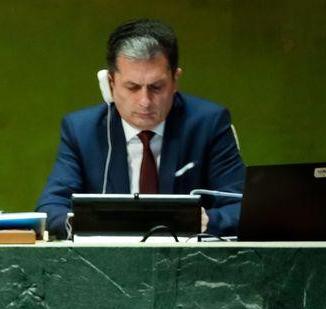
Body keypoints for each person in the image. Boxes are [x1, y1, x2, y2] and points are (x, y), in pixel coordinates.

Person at [36, 19, 245, 237]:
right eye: (132, 87)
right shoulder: (82, 130)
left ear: (175, 80)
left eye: (156, 87)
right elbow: (50, 209)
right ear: (110, 83)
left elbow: (241, 207)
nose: (145, 101)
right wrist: (87, 223)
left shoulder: (207, 124)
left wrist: (205, 221)